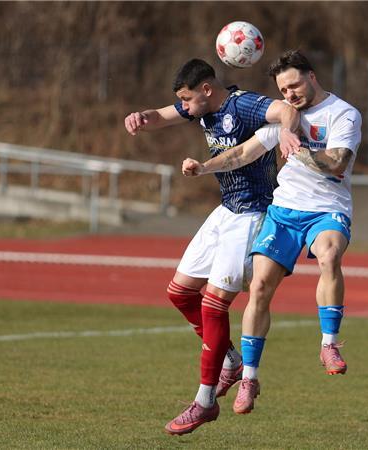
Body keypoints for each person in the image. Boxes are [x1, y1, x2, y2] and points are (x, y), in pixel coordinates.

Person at [124, 58, 300, 435]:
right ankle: (231, 361)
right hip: (224, 211)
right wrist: (142, 117)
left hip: (251, 215)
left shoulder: (244, 105)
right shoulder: (200, 108)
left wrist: (286, 132)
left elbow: (285, 109)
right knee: (180, 293)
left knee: (214, 302)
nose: (184, 108)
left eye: (187, 100)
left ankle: (204, 402)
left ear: (207, 89)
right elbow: (162, 115)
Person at [181, 50, 362, 415]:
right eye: (283, 89)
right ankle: (249, 378)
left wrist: (300, 148)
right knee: (260, 287)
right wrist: (203, 168)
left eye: (294, 85)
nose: (290, 94)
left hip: (326, 209)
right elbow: (242, 153)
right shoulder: (282, 118)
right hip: (282, 211)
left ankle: (329, 343)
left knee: (328, 255)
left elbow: (338, 163)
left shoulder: (343, 113)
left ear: (312, 76)